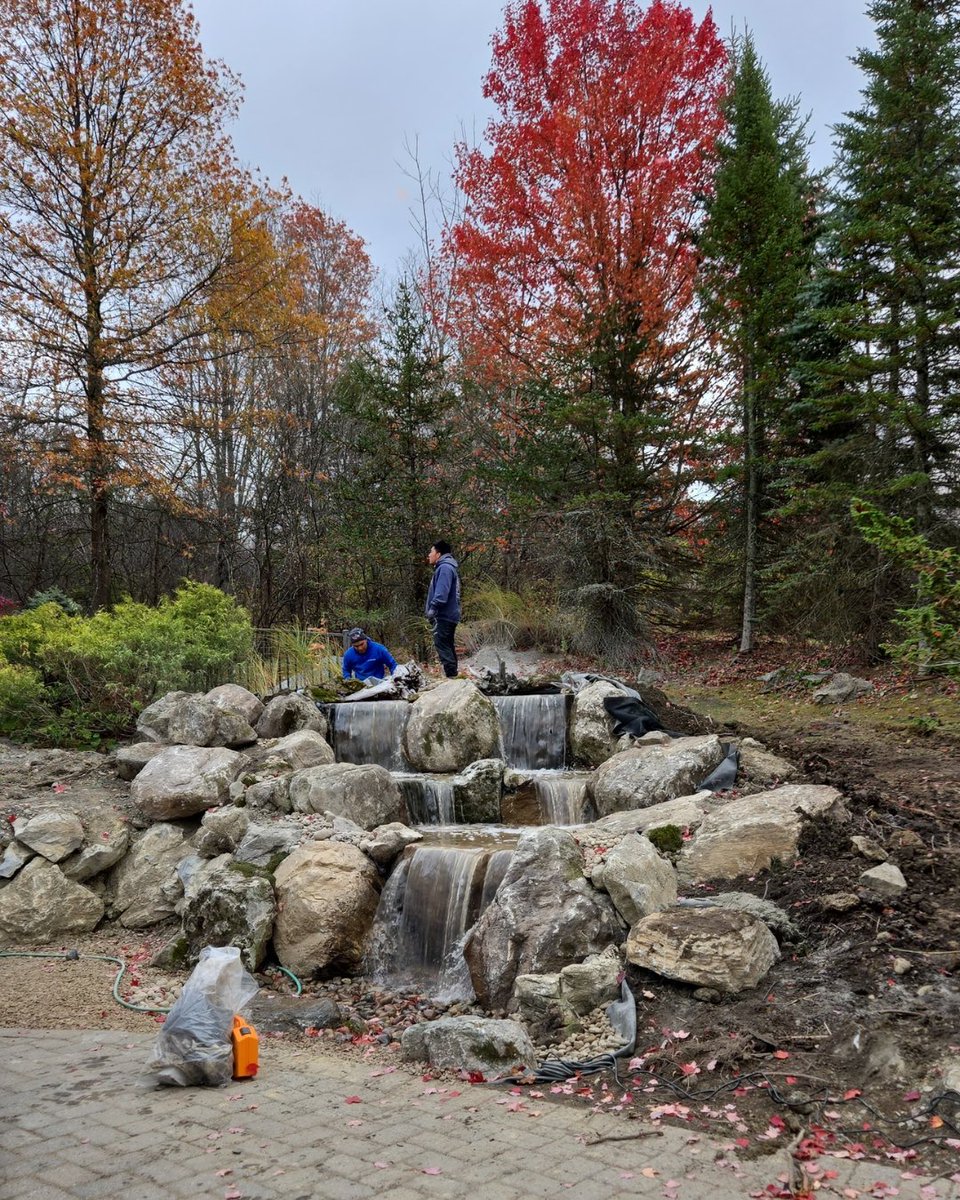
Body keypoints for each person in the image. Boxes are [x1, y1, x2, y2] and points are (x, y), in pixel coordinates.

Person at [425, 539, 461, 678]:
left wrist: (432, 610)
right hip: (449, 614)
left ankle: (452, 677)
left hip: (444, 615)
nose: (429, 555)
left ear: (438, 554)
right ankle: (454, 676)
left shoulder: (445, 568)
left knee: (443, 645)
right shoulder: (448, 567)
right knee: (447, 645)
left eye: (431, 551)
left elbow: (441, 593)